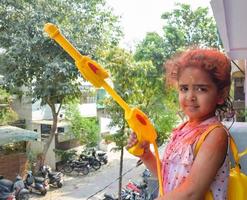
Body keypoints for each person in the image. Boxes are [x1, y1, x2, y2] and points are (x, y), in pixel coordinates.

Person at [126, 48, 232, 200]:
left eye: (201, 89)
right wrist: (146, 154)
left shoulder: (215, 135)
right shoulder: (182, 129)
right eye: (184, 88)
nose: (190, 97)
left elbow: (191, 193)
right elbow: (168, 175)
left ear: (221, 94)